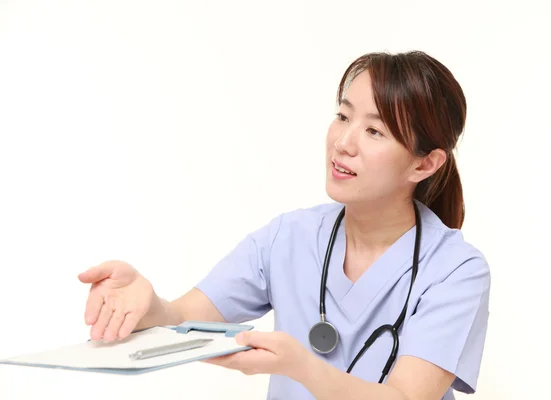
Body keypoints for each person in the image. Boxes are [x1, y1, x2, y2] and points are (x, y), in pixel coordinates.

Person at [78, 50, 491, 400]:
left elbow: (406, 396)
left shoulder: (456, 270)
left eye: (374, 130)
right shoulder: (288, 238)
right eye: (343, 116)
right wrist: (150, 306)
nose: (344, 142)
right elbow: (186, 318)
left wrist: (303, 368)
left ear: (425, 163)